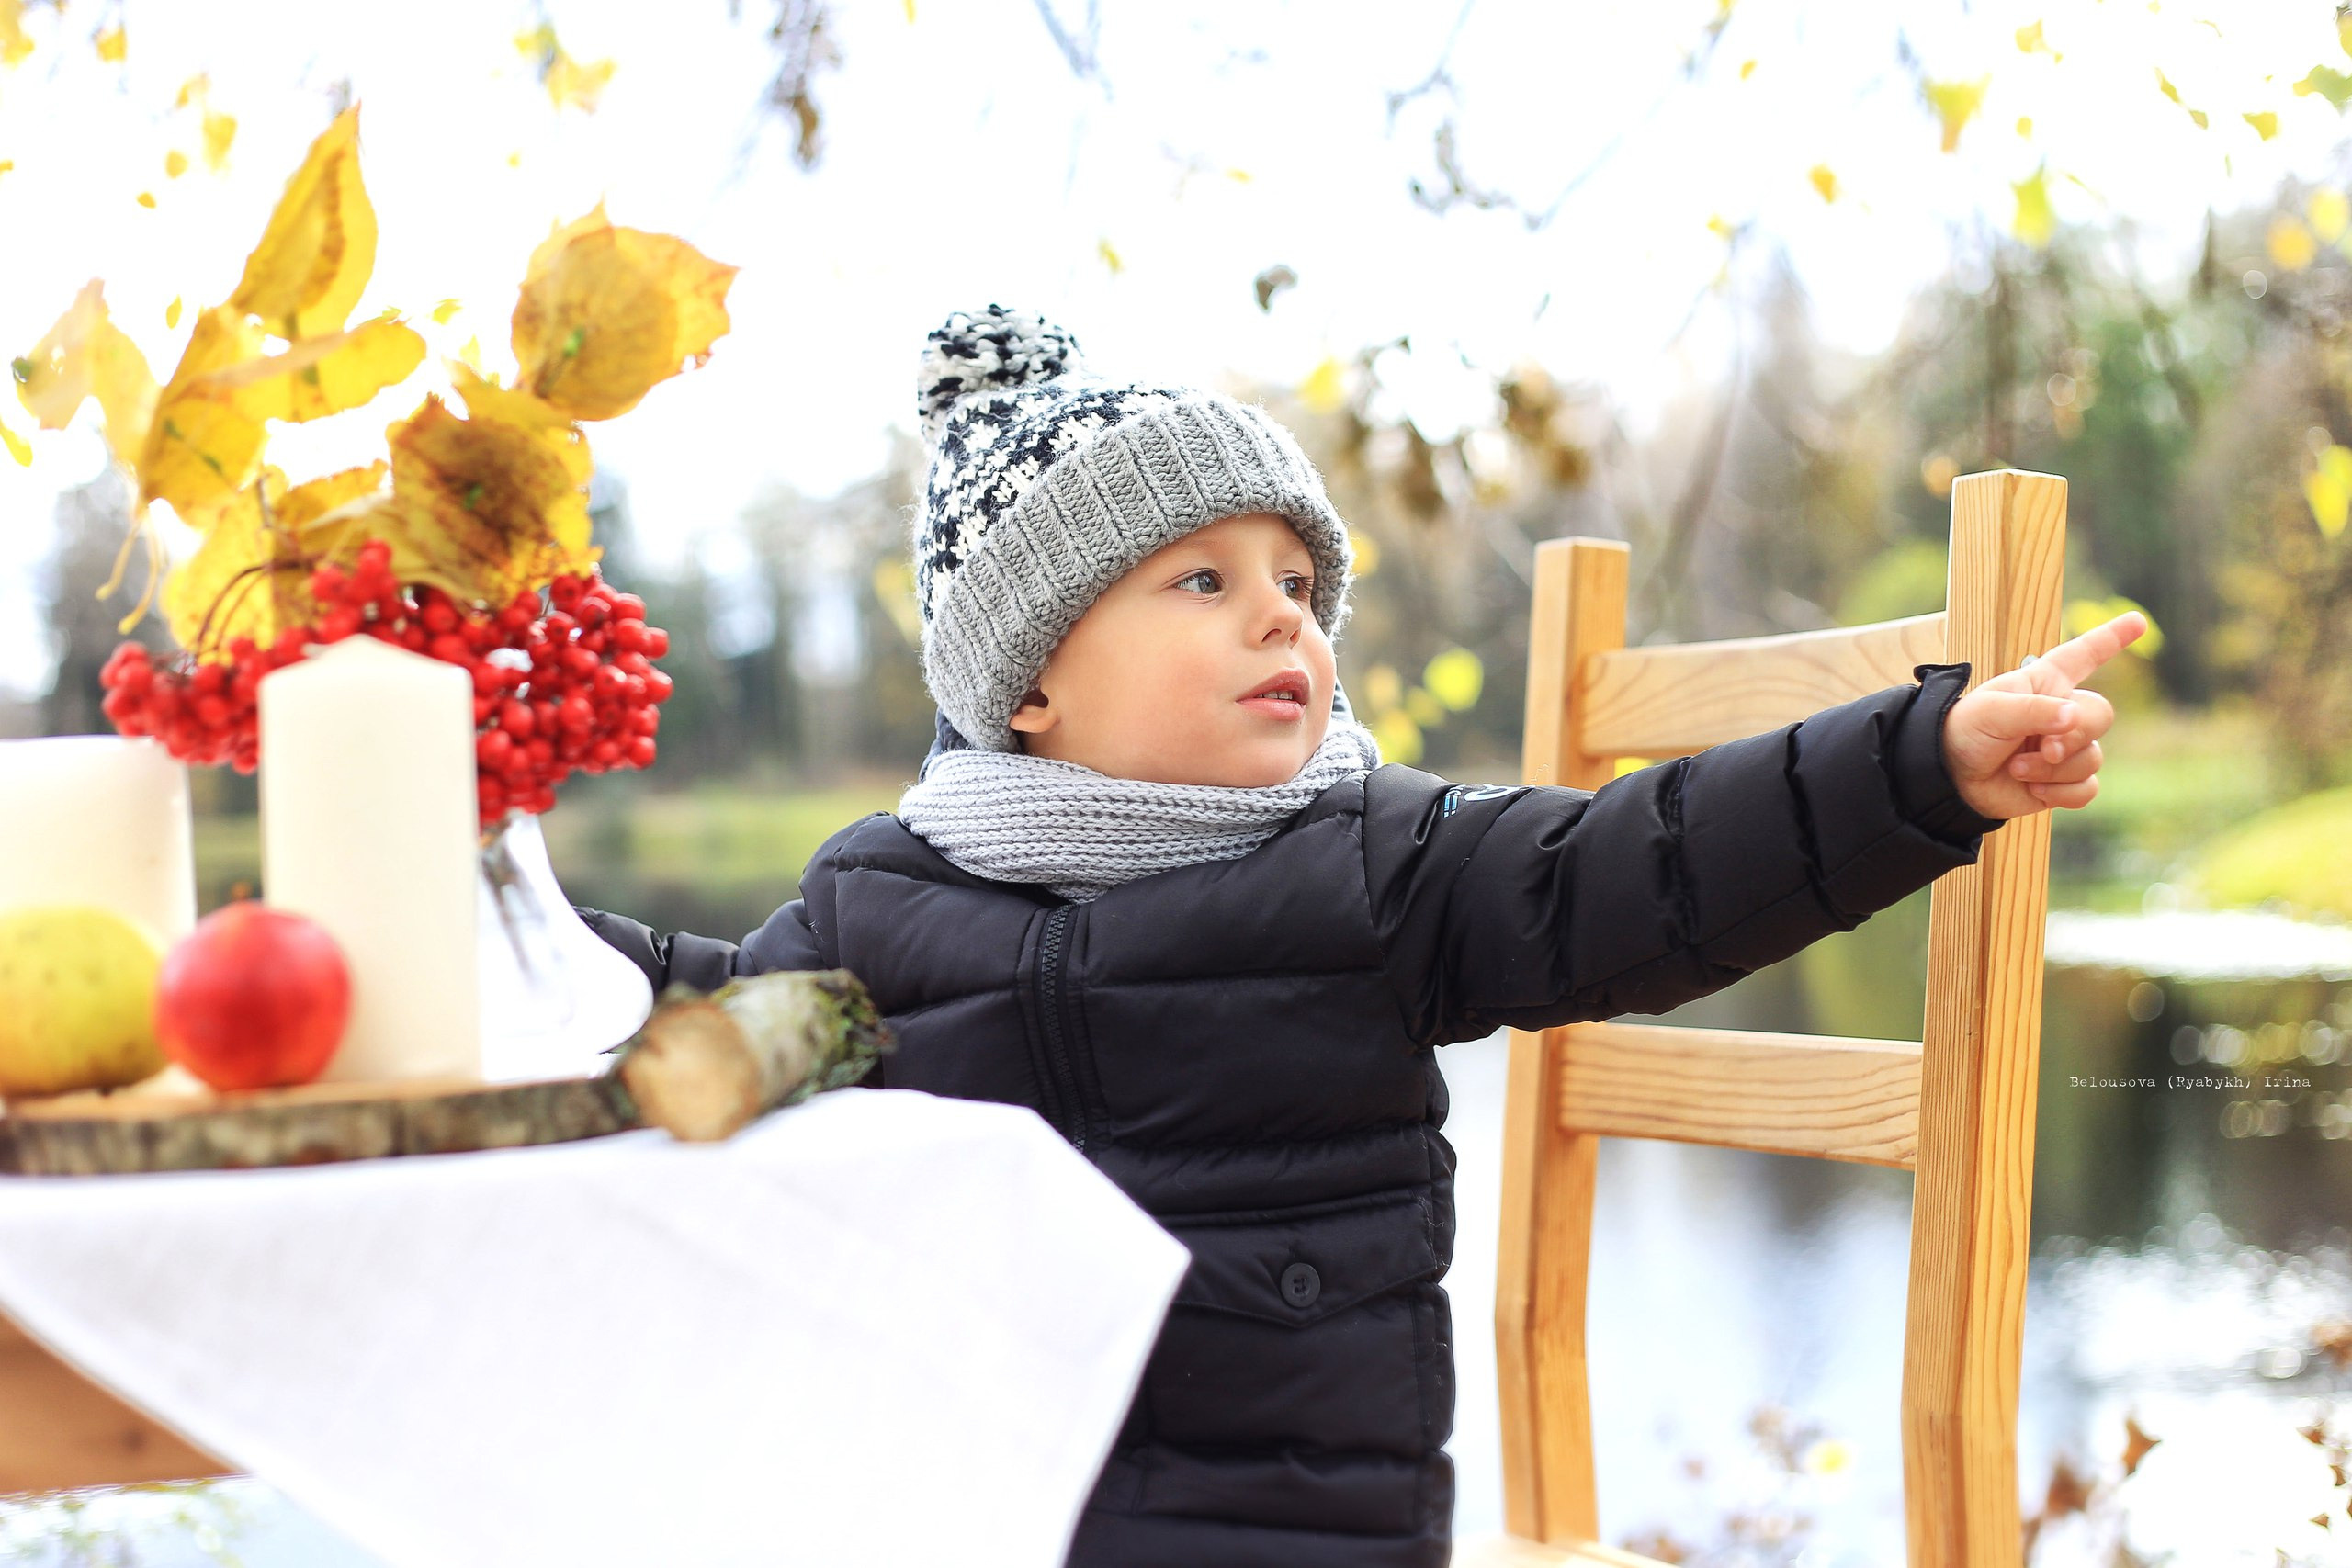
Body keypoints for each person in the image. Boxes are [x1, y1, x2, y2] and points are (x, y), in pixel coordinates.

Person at [576, 304, 2141, 1568]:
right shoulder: (881, 901)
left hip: (1290, 1531)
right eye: (1204, 579)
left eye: (1299, 582)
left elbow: (1646, 865)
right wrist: (488, 907)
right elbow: (690, 1022)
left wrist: (1915, 765)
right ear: (1027, 682)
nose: (1285, 618)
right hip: (985, 1516)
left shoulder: (1381, 864)